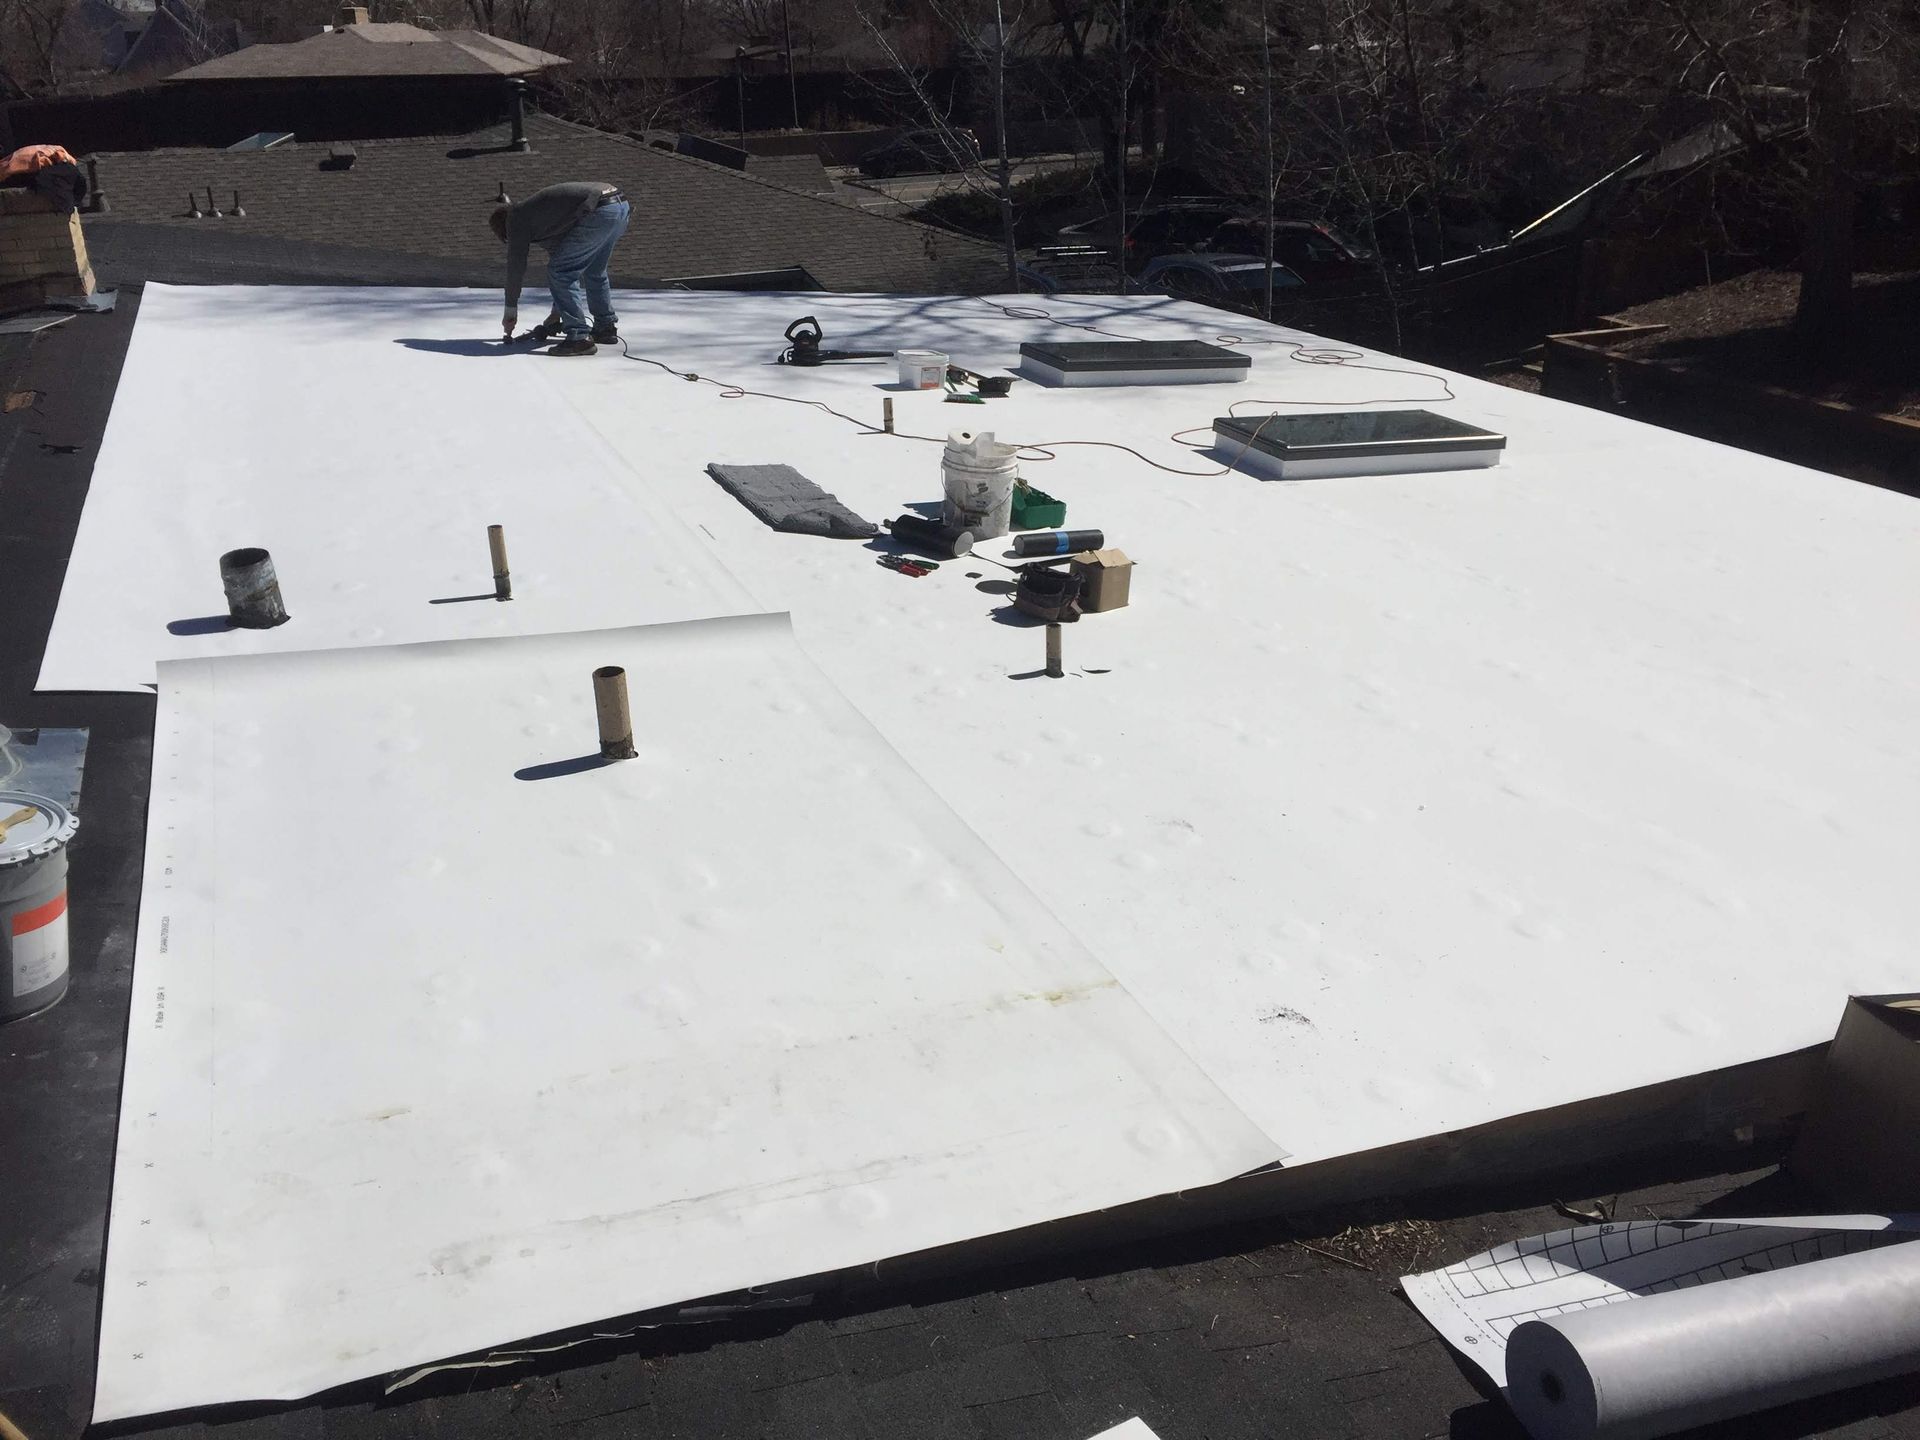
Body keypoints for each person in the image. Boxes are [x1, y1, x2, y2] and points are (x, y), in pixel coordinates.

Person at [490, 182, 631, 356]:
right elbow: (565, 263)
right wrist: (556, 314)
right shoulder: (544, 219)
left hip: (599, 209)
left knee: (560, 272)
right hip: (620, 205)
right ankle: (605, 327)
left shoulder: (516, 218)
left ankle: (579, 338)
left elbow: (515, 267)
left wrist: (510, 310)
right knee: (594, 269)